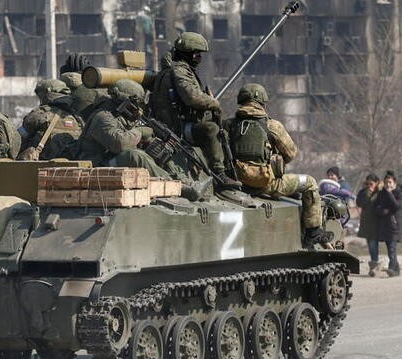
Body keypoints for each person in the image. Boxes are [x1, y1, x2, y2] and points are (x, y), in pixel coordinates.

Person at [227, 83, 333, 248]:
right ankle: (313, 232)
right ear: (262, 102)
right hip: (267, 184)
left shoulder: (229, 125)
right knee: (310, 182)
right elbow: (291, 153)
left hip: (237, 184)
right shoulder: (272, 125)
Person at [149, 32, 239, 188]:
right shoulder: (179, 71)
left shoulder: (173, 70)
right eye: (197, 54)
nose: (199, 58)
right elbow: (191, 97)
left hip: (177, 125)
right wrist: (213, 103)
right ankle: (220, 173)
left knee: (224, 126)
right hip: (179, 129)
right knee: (212, 129)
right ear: (187, 54)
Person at [77, 79, 173, 179]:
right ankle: (173, 184)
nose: (139, 109)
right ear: (123, 101)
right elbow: (120, 143)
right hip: (94, 168)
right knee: (135, 156)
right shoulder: (102, 117)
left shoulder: (123, 118)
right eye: (136, 104)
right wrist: (141, 132)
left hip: (109, 163)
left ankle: (181, 181)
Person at [18, 79, 83, 160]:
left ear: (45, 94)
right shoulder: (77, 118)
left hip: (41, 168)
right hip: (71, 168)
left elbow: (17, 140)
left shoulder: (39, 115)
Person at [373, 170, 402, 277]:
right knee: (390, 248)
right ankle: (396, 269)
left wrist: (390, 193)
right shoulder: (381, 194)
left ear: (394, 183)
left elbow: (396, 206)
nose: (387, 185)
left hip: (395, 226)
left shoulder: (398, 193)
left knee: (392, 248)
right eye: (386, 182)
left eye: (390, 182)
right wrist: (382, 211)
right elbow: (376, 208)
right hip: (385, 226)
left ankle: (392, 269)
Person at [356, 173, 381, 277]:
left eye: (372, 183)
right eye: (368, 183)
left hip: (379, 222)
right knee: (371, 244)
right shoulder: (363, 192)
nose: (370, 185)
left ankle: (390, 265)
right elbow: (360, 203)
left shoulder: (380, 192)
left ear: (376, 183)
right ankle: (374, 265)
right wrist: (367, 191)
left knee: (376, 244)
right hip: (367, 223)